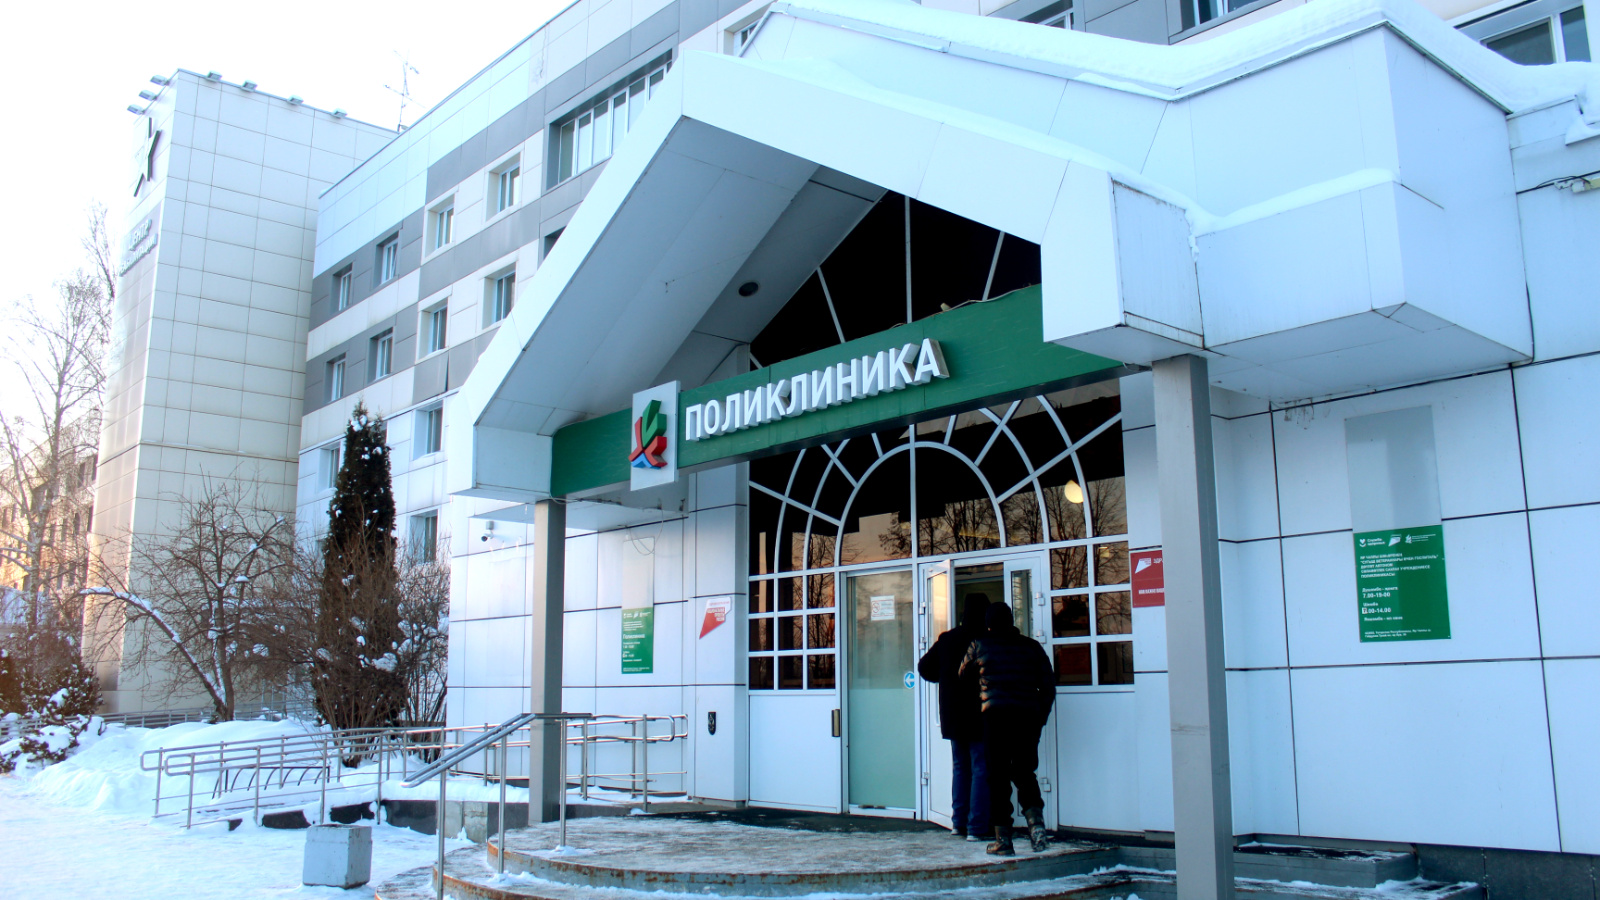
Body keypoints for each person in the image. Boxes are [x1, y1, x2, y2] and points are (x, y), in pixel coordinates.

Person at [958, 602, 1055, 856]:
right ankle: (1037, 828)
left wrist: (980, 701)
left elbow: (963, 677)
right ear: (1011, 621)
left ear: (988, 623)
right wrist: (1040, 718)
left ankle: (1003, 840)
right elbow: (1048, 686)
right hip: (1027, 718)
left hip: (995, 718)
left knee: (997, 777)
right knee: (1025, 773)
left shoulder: (979, 645)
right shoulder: (1031, 647)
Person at [917, 593, 990, 841]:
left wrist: (947, 678)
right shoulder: (986, 639)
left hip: (953, 714)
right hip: (980, 712)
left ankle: (958, 823)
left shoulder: (947, 639)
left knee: (961, 767)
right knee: (981, 767)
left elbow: (924, 668)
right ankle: (977, 826)